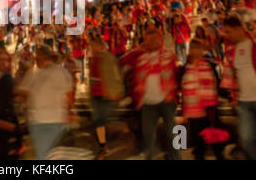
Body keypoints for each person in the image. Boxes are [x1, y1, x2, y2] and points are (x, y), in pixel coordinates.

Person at [131, 29, 181, 160]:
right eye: (148, 39)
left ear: (161, 40)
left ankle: (176, 157)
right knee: (148, 135)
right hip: (147, 103)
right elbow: (136, 80)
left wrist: (174, 95)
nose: (151, 42)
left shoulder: (170, 56)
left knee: (173, 133)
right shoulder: (140, 58)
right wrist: (138, 100)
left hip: (167, 101)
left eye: (154, 39)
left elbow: (177, 76)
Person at [17, 45, 74, 159]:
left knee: (44, 156)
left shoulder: (34, 73)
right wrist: (68, 111)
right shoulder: (60, 72)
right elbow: (69, 95)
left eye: (37, 57)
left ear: (44, 56)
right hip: (53, 120)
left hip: (41, 121)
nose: (35, 59)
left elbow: (22, 94)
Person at [179, 38, 224, 160]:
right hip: (193, 112)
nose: (196, 51)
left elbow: (217, 83)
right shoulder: (185, 68)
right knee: (198, 144)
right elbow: (181, 88)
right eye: (193, 48)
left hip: (209, 110)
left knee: (216, 141)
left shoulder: (210, 64)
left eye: (198, 48)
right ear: (190, 50)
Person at [221, 16, 256, 160]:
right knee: (246, 139)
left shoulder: (253, 42)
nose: (226, 35)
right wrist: (233, 97)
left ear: (238, 29)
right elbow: (232, 76)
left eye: (228, 32)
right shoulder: (230, 49)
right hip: (244, 102)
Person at [88, 33, 125, 158]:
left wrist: (118, 91)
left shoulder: (108, 58)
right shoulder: (92, 60)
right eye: (90, 47)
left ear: (100, 46)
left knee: (102, 120)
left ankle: (106, 144)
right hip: (96, 95)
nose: (92, 49)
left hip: (107, 94)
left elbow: (116, 75)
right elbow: (91, 78)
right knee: (99, 121)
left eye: (94, 46)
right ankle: (103, 146)